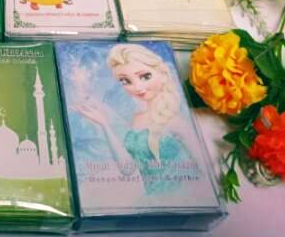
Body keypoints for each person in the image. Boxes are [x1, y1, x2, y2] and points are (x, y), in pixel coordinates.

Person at [73, 44, 203, 195]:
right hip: (154, 200)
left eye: (145, 77)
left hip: (182, 197)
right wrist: (104, 124)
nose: (138, 87)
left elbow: (203, 171)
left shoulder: (176, 121)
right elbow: (128, 169)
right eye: (125, 81)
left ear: (163, 74)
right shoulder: (136, 119)